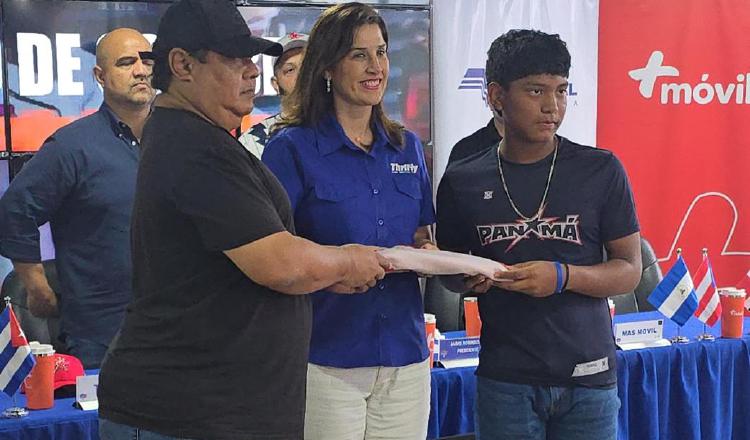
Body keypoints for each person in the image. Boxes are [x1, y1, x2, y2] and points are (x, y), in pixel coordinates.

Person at [97, 1, 386, 439]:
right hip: (186, 413)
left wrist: (324, 273)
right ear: (182, 65)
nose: (251, 71)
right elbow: (281, 264)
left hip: (217, 409)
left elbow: (247, 264)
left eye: (251, 60)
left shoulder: (198, 138)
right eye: (235, 59)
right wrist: (347, 260)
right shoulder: (196, 148)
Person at [435, 29, 642, 440]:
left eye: (562, 91)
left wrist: (563, 277)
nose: (552, 107)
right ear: (496, 96)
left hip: (588, 377)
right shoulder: (462, 179)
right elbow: (450, 270)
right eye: (535, 91)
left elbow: (628, 270)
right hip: (505, 377)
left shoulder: (599, 169)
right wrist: (466, 278)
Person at [263, 3, 435, 439]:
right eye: (359, 55)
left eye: (381, 52)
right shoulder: (290, 149)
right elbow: (274, 254)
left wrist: (432, 257)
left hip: (405, 356)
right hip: (326, 358)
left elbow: (420, 236)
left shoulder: (407, 148)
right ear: (326, 67)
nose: (375, 66)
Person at [0, 28, 155, 369]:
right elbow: (14, 212)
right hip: (103, 339)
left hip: (180, 331)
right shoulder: (72, 147)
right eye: (126, 62)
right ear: (100, 76)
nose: (141, 70)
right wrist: (37, 287)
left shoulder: (181, 140)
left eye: (147, 60)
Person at [238, 32, 308, 157]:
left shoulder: (345, 127)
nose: (302, 75)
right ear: (275, 84)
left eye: (308, 67)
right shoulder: (253, 140)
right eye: (290, 70)